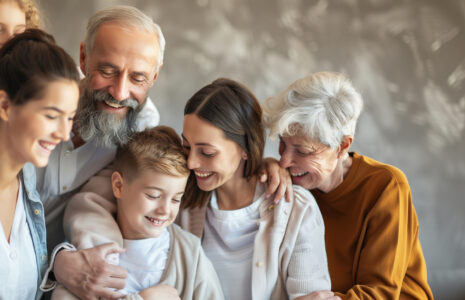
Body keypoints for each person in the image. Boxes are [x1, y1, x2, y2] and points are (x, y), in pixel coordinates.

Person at [62, 78, 331, 299]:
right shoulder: (177, 199)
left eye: (207, 152)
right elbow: (101, 194)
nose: (191, 163)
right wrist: (61, 262)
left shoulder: (294, 209)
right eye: (187, 146)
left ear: (245, 149)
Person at [263, 71, 434, 299]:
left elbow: (380, 293)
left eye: (302, 151)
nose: (284, 160)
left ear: (343, 146)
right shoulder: (290, 182)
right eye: (282, 144)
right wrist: (264, 169)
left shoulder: (386, 187)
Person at [37, 5, 163, 299]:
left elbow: (94, 214)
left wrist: (263, 168)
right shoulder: (36, 103)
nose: (119, 93)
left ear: (154, 77)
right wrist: (56, 263)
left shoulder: (143, 129)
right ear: (83, 57)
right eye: (108, 71)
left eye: (138, 78)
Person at [52, 126, 224, 300]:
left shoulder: (190, 255)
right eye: (153, 195)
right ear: (118, 186)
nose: (165, 210)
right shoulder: (88, 256)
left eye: (175, 199)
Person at [0, 29, 79, 299]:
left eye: (70, 118)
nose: (64, 134)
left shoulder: (28, 186)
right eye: (51, 115)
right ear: (5, 105)